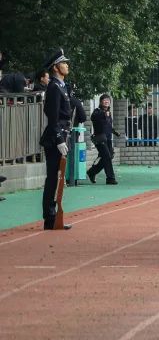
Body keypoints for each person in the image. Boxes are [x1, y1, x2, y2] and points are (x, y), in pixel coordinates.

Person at [40, 49, 81, 230]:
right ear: (56, 67)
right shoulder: (54, 87)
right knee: (53, 178)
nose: (67, 65)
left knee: (59, 178)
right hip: (55, 137)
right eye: (63, 63)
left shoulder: (63, 86)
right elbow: (52, 115)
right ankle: (50, 217)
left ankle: (55, 216)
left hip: (63, 134)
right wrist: (59, 139)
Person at [88, 94, 120, 184]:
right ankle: (110, 178)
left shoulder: (109, 113)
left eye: (108, 100)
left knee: (108, 157)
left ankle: (92, 172)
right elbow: (93, 117)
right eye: (104, 100)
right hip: (100, 138)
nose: (107, 101)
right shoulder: (97, 111)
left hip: (108, 138)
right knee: (106, 156)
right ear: (101, 102)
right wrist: (104, 114)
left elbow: (108, 125)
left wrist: (114, 132)